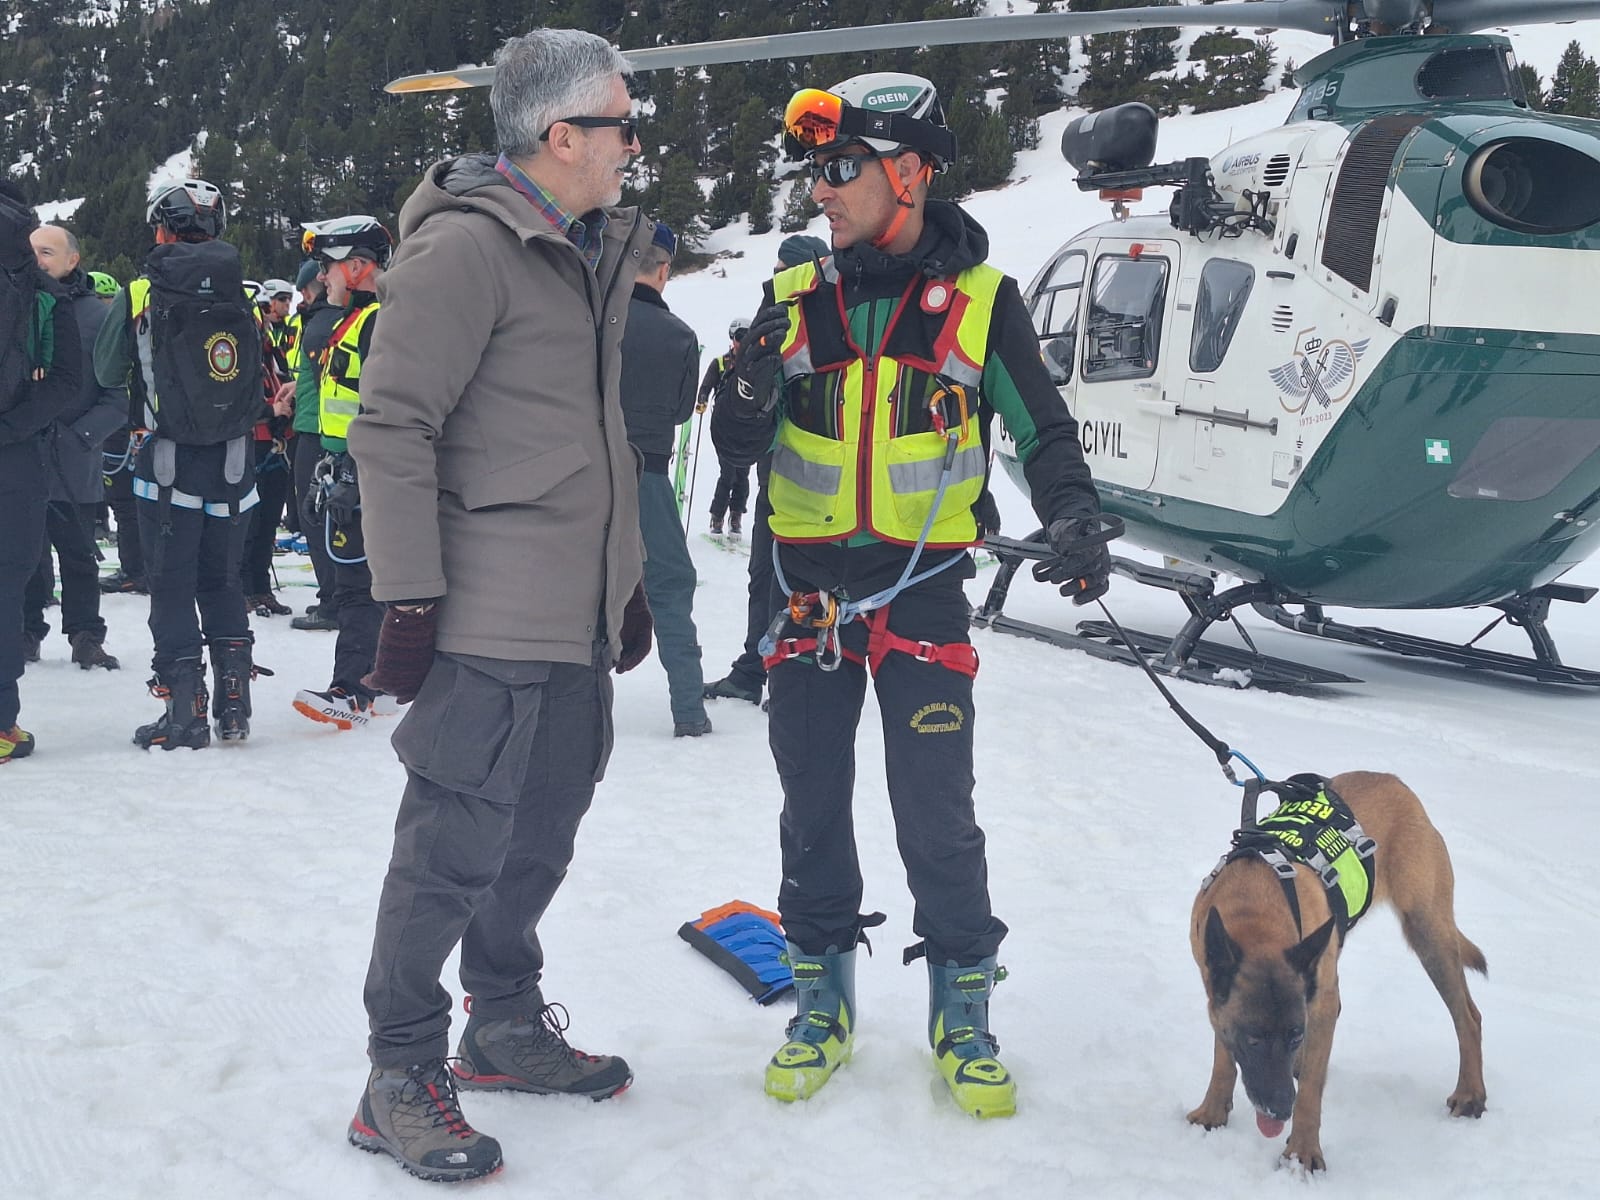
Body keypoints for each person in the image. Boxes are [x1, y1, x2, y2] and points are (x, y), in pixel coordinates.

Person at [713, 73, 1109, 1118]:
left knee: (937, 814)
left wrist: (1072, 513)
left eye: (841, 168)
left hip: (923, 592)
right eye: (815, 171)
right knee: (811, 806)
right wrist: (743, 394)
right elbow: (740, 445)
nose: (820, 191)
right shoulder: (796, 295)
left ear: (911, 172)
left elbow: (1042, 429)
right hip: (807, 596)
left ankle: (962, 1010)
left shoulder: (982, 301)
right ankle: (821, 1004)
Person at [342, 27, 656, 1183]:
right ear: (562, 135)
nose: (634, 145)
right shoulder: (467, 249)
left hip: (573, 614)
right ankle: (398, 1074)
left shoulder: (582, 246)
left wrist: (621, 582)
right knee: (448, 855)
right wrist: (410, 599)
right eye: (621, 124)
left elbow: (579, 438)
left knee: (540, 836)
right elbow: (391, 426)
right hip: (486, 617)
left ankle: (504, 1023)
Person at [94, 178, 263, 749]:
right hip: (234, 464)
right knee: (222, 580)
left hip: (165, 465)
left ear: (163, 229)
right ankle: (234, 706)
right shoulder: (241, 289)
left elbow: (106, 368)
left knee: (171, 585)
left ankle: (185, 712)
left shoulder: (141, 292)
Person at [702, 233, 829, 707]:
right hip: (772, 479)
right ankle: (754, 668)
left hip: (819, 492)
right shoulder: (772, 323)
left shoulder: (826, 330)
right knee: (763, 576)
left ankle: (792, 675)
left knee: (803, 587)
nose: (776, 279)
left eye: (784, 270)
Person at [290, 215, 395, 730]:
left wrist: (357, 468)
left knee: (357, 582)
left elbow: (391, 406)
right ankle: (383, 677)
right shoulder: (354, 321)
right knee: (367, 581)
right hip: (350, 465)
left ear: (356, 267)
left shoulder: (379, 321)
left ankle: (353, 690)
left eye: (327, 266)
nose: (321, 276)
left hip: (371, 471)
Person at [618, 220, 712, 737]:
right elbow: (680, 412)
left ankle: (563, 706)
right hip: (649, 475)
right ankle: (689, 711)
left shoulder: (592, 321)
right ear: (664, 270)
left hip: (586, 475)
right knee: (671, 587)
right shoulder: (680, 336)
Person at [22, 224, 127, 671]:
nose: (37, 259)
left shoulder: (97, 318)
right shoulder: (13, 306)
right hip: (20, 455)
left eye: (47, 251)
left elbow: (118, 396)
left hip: (74, 459)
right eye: (32, 250)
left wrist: (82, 437)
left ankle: (85, 635)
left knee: (79, 554)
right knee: (22, 554)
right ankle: (24, 631)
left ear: (73, 260)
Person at [1, 182, 81, 763]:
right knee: (6, 587)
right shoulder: (44, 293)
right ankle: (2, 725)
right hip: (18, 456)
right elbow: (67, 381)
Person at [283, 257, 341, 630]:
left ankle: (331, 602)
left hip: (315, 430)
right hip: (324, 426)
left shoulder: (320, 322)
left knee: (314, 518)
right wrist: (298, 385)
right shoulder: (339, 318)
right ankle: (338, 597)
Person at [240, 279, 294, 617]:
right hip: (251, 442)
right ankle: (244, 588)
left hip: (274, 441)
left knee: (268, 522)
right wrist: (270, 411)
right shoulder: (239, 349)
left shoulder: (269, 347)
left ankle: (260, 587)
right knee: (249, 522)